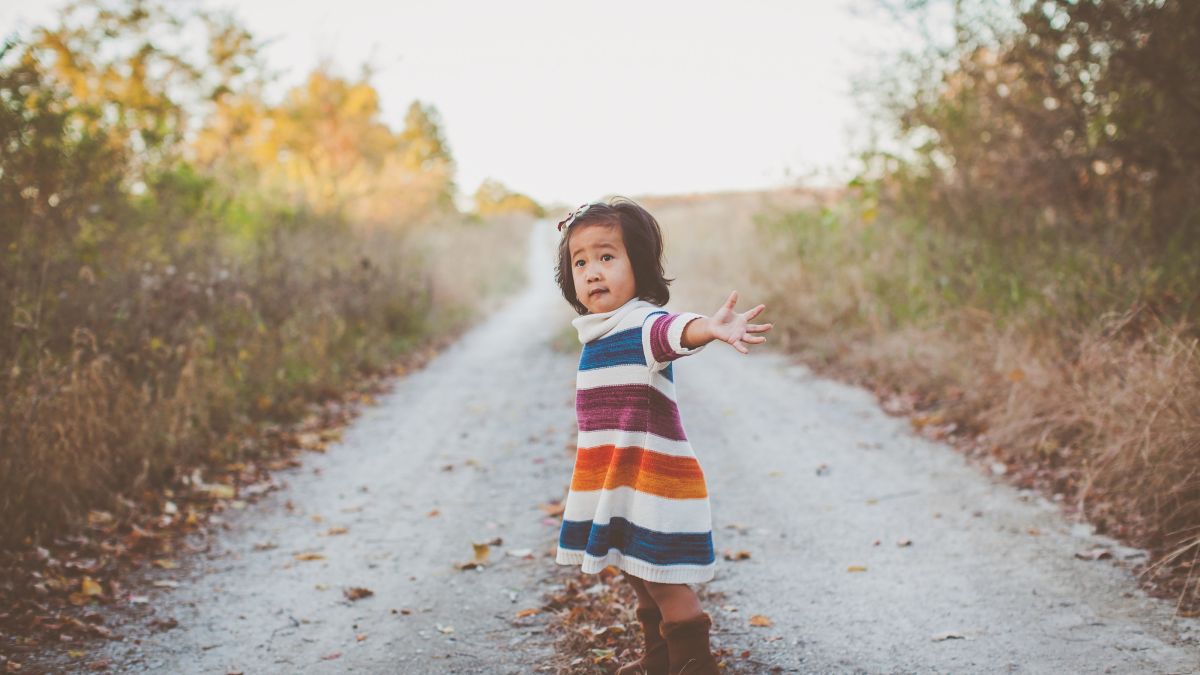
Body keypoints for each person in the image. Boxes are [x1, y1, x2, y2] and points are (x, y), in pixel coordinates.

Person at [552, 197, 773, 675]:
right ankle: (659, 660)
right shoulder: (598, 332)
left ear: (639, 264)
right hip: (619, 481)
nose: (592, 271)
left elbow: (674, 332)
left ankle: (694, 664)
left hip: (652, 482)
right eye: (580, 262)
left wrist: (708, 328)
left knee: (666, 584)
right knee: (637, 573)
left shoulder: (640, 323)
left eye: (607, 256)